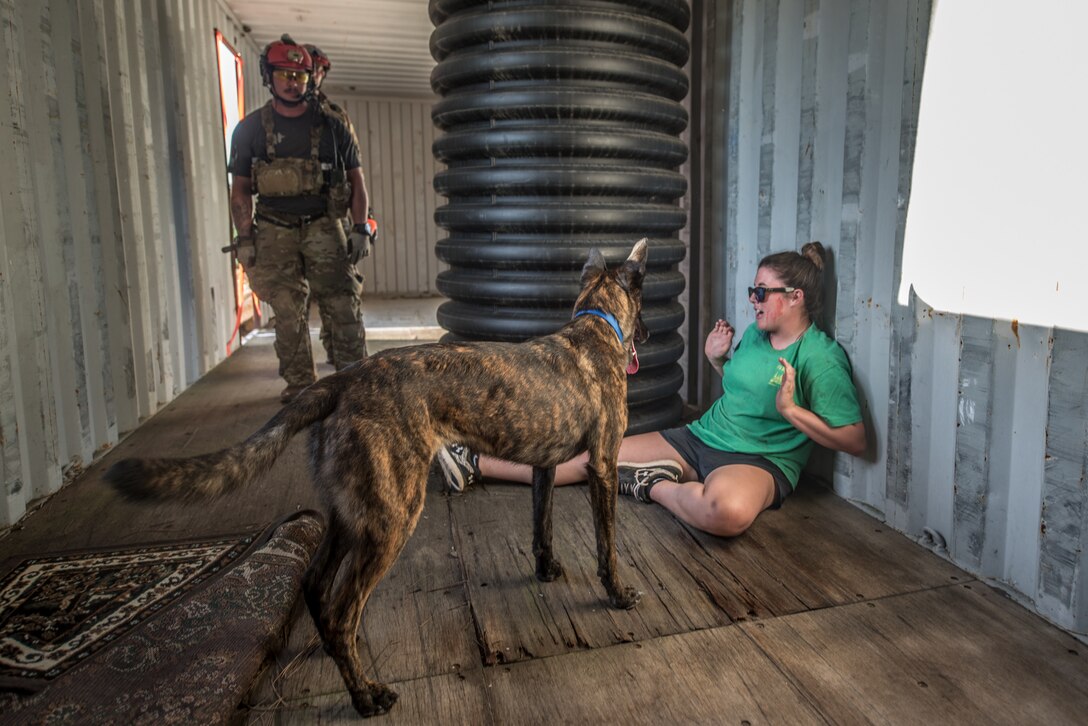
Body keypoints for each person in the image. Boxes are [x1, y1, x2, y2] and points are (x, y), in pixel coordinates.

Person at [436, 242, 867, 537]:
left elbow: (855, 440)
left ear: (795, 297)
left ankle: (652, 485)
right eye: (752, 290)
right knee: (592, 453)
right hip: (699, 437)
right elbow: (747, 393)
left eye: (760, 291)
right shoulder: (758, 333)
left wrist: (792, 412)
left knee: (726, 514)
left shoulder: (821, 358)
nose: (752, 299)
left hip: (759, 461)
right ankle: (473, 461)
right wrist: (718, 359)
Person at [228, 36, 375, 403]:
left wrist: (360, 228)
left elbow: (357, 182)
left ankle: (352, 380)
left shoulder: (333, 125)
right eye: (284, 75)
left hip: (324, 225)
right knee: (287, 311)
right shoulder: (248, 130)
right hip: (275, 230)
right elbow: (241, 189)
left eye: (300, 76)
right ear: (269, 77)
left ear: (310, 79)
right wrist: (244, 237)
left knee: (342, 303)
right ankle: (300, 386)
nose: (293, 83)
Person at [302, 43, 374, 367]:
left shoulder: (335, 117)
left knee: (342, 296)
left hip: (331, 219)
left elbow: (354, 171)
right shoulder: (273, 118)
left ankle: (342, 360)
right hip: (286, 223)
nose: (312, 75)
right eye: (309, 69)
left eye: (317, 69)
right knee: (297, 302)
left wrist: (363, 224)